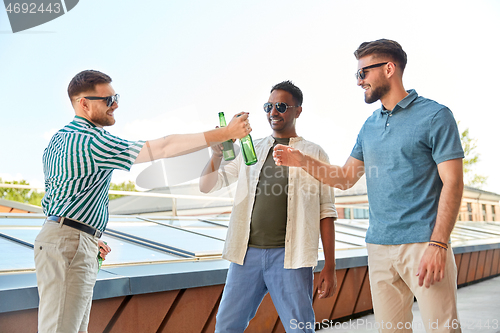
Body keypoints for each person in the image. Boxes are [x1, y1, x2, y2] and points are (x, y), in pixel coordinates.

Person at [35, 69, 251, 333]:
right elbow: (162, 148)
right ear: (84, 103)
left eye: (116, 97)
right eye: (108, 99)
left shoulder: (58, 139)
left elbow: (60, 193)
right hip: (70, 245)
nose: (116, 104)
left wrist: (86, 235)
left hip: (66, 240)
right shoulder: (91, 140)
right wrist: (224, 133)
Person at [273, 40, 464, 332]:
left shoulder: (435, 116)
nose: (359, 81)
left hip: (424, 243)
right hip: (379, 247)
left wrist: (438, 244)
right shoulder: (370, 126)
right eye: (357, 74)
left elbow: (453, 182)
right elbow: (346, 178)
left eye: (364, 72)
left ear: (389, 69)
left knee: (442, 328)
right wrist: (301, 160)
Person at [200, 81, 337, 333]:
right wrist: (216, 155)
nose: (274, 112)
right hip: (245, 256)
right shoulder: (251, 149)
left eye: (282, 106)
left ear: (298, 110)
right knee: (226, 326)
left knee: (300, 328)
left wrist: (330, 266)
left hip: (291, 258)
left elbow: (326, 211)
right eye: (269, 106)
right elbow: (207, 186)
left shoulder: (313, 153)